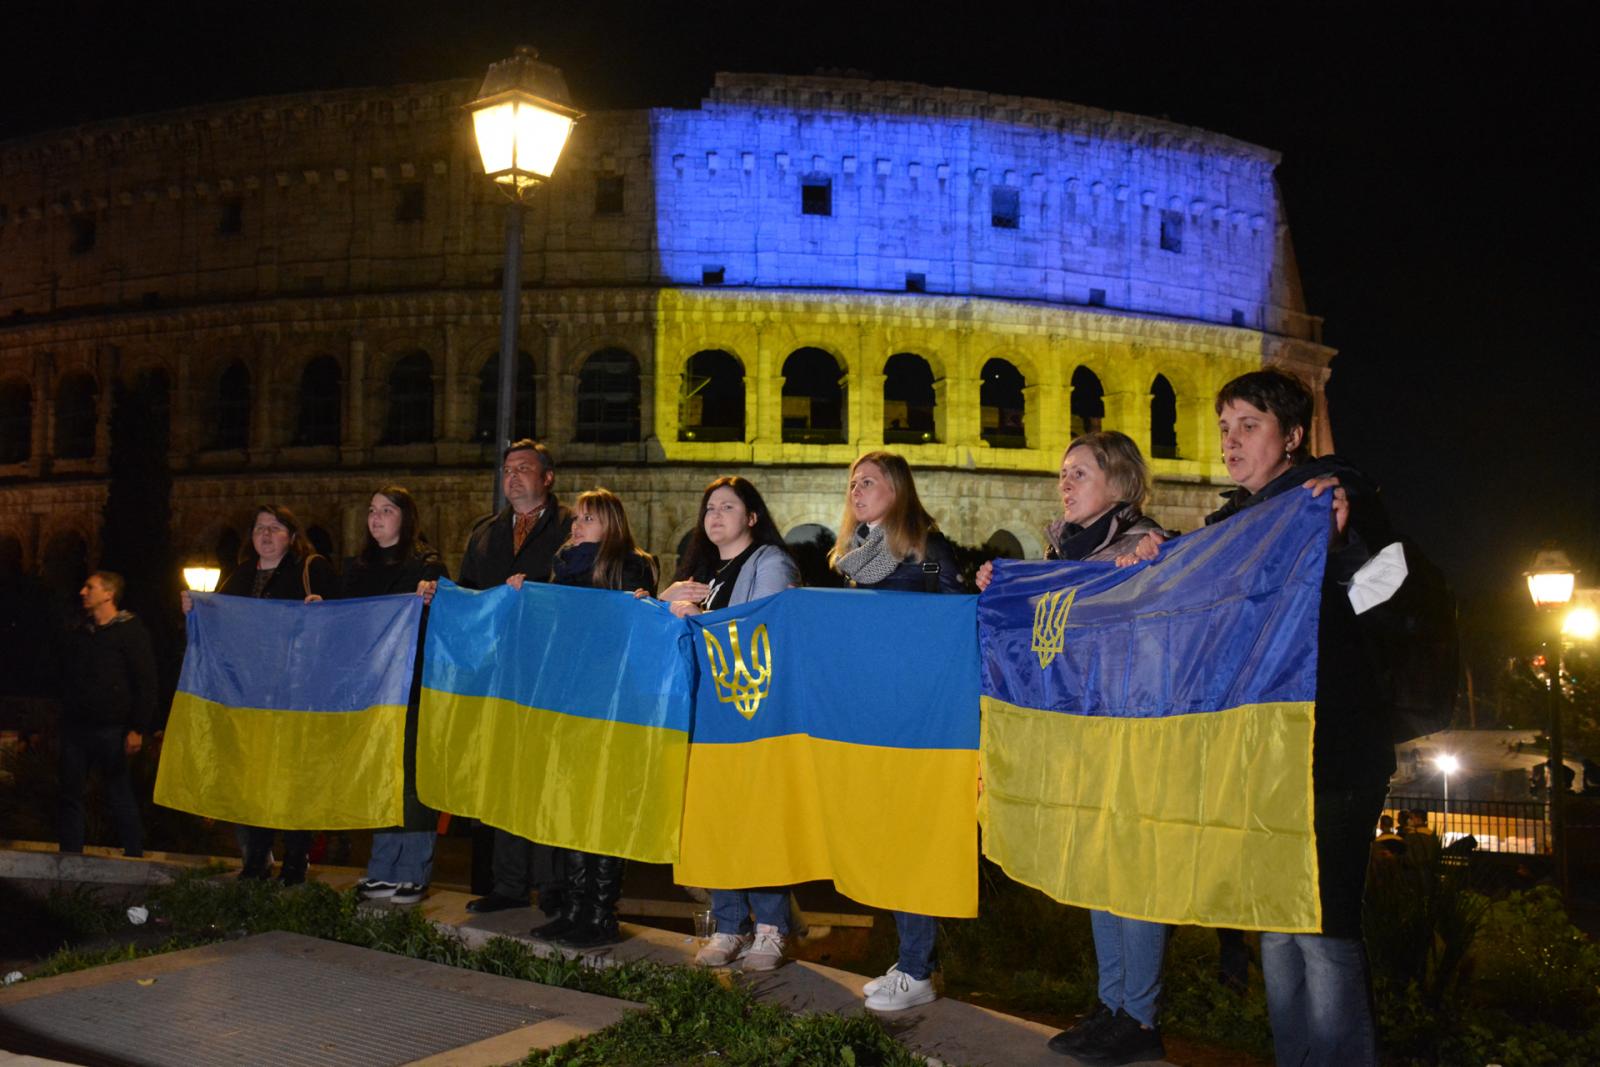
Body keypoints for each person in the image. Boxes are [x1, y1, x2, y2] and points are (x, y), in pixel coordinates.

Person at [1207, 368, 1396, 1067]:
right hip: (1263, 752)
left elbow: (1396, 597)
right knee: (1274, 919)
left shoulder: (1338, 497)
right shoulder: (1228, 524)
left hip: (1337, 747)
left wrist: (1345, 544)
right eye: (1225, 427)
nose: (1230, 440)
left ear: (1291, 435)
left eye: (1248, 425)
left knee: (1324, 923)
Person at [976, 432, 1171, 1066]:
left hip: (1133, 731)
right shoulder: (1064, 553)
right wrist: (1002, 584)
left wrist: (1149, 567)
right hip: (1083, 735)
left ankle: (1140, 1017)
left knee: (1134, 876)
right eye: (1063, 473)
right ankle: (1112, 1005)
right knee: (1098, 871)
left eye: (1079, 473)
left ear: (1118, 483)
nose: (1065, 482)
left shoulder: (1146, 544)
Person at [828, 451, 961, 1012]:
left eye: (870, 482)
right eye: (853, 483)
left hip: (920, 719)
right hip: (877, 714)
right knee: (889, 836)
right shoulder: (861, 557)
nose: (857, 491)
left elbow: (953, 619)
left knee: (911, 839)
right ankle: (908, 958)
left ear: (899, 490)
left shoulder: (928, 553)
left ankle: (918, 968)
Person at [660, 476, 802, 971]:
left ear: (753, 517)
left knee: (755, 815)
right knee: (713, 815)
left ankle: (771, 926)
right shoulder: (700, 571)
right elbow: (666, 626)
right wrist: (665, 600)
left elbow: (758, 626)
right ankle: (727, 924)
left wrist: (690, 612)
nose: (715, 515)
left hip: (753, 710)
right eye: (709, 508)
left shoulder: (771, 563)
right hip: (704, 710)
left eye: (727, 506)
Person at [438, 440, 575, 917]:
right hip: (496, 677)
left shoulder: (571, 527)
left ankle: (553, 886)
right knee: (502, 778)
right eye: (507, 470)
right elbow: (470, 599)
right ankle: (509, 884)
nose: (513, 477)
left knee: (544, 779)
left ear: (547, 477)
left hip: (548, 674)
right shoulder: (485, 533)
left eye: (524, 468)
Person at [522, 487, 658, 948]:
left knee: (601, 808)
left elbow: (627, 635)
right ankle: (574, 907)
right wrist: (526, 595)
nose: (576, 526)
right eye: (576, 519)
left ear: (611, 524)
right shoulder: (563, 569)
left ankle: (601, 915)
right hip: (567, 702)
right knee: (571, 804)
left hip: (610, 707)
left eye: (588, 519)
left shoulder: (631, 565)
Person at [184, 504, 336, 883]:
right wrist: (193, 610)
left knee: (292, 777)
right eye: (258, 528)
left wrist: (323, 611)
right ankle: (257, 856)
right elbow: (219, 629)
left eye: (275, 528)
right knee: (252, 776)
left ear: (291, 535)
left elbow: (341, 622)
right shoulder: (239, 577)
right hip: (249, 698)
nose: (265, 535)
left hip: (296, 695)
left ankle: (296, 858)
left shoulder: (311, 569)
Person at [320, 487, 446, 905]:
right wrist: (320, 606)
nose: (376, 518)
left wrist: (431, 598)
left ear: (404, 518)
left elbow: (439, 620)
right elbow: (346, 618)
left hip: (410, 688)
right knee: (382, 776)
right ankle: (382, 869)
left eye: (386, 511)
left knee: (412, 779)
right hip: (372, 689)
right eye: (372, 511)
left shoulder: (426, 565)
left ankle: (413, 871)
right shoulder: (358, 567)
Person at [57, 570, 156, 858]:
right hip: (77, 727)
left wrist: (137, 727)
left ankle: (134, 851)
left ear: (108, 594)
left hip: (112, 728)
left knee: (118, 790)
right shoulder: (81, 631)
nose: (83, 592)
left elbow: (145, 682)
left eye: (90, 587)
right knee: (70, 792)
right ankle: (70, 853)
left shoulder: (130, 631)